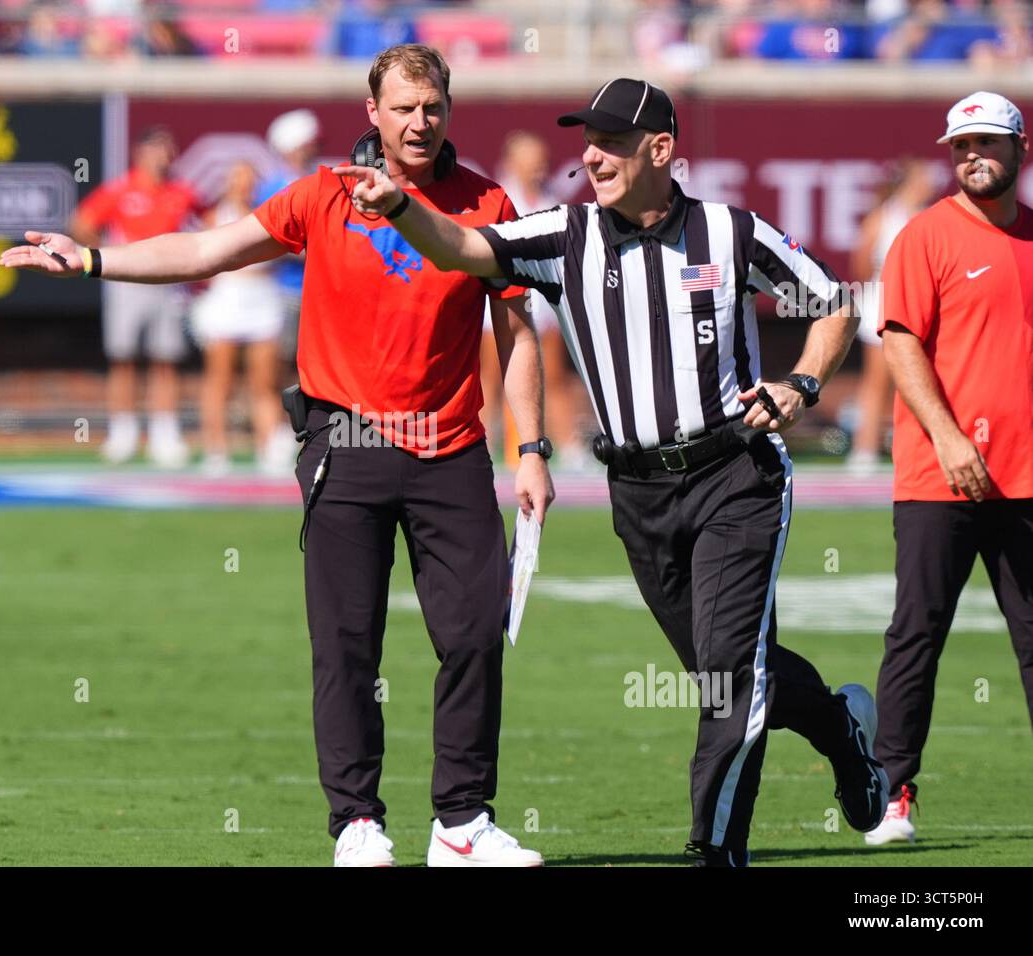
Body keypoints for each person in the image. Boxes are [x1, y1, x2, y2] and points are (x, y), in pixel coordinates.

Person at [1, 44, 554, 867]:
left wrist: (534, 448)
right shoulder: (321, 197)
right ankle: (357, 822)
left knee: (474, 633)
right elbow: (204, 251)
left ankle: (462, 824)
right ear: (373, 112)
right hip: (347, 445)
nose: (418, 121)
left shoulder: (488, 201)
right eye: (402, 107)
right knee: (345, 643)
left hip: (452, 448)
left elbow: (515, 332)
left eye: (431, 106)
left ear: (449, 109)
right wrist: (90, 259)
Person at [339, 77, 891, 867]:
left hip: (735, 476)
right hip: (636, 491)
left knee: (731, 676)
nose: (591, 156)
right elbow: (464, 249)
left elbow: (830, 301)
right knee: (721, 672)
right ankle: (842, 732)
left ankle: (715, 848)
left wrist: (801, 383)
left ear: (661, 150)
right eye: (586, 140)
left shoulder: (732, 233)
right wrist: (398, 206)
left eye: (612, 142)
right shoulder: (567, 234)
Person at [864, 91, 1033, 847]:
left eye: (986, 143)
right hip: (941, 479)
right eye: (960, 145)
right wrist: (950, 437)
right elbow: (901, 345)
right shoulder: (923, 237)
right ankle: (891, 790)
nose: (972, 156)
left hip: (1028, 478)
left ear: (1020, 148)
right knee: (917, 633)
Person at [69, 125, 199, 466]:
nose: (165, 156)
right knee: (124, 357)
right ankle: (123, 432)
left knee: (166, 359)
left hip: (170, 281)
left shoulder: (180, 191)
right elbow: (82, 221)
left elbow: (206, 222)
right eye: (158, 148)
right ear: (140, 153)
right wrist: (111, 253)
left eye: (168, 149)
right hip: (128, 282)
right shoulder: (121, 189)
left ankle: (164, 433)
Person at [479, 130, 587, 470]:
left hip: (543, 303)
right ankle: (482, 446)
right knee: (491, 376)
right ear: (513, 162)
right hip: (498, 302)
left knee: (553, 374)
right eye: (532, 161)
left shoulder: (549, 198)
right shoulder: (496, 197)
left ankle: (570, 448)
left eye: (542, 161)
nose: (539, 168)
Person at [189, 160, 289, 476]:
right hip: (227, 299)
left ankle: (269, 447)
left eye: (249, 180)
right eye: (238, 179)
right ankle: (216, 450)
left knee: (265, 380)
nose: (244, 186)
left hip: (262, 298)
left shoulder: (268, 214)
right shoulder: (213, 217)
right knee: (220, 379)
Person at [846, 158, 936, 472]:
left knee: (919, 382)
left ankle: (916, 451)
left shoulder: (931, 218)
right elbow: (861, 265)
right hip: (881, 308)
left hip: (920, 310)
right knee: (876, 382)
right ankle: (864, 451)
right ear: (910, 182)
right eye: (923, 177)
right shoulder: (882, 218)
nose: (930, 183)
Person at [256, 109, 320, 373]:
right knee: (281, 359)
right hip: (284, 288)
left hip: (317, 289)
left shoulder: (319, 181)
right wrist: (312, 252)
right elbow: (268, 239)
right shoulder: (273, 188)